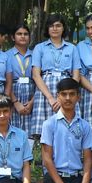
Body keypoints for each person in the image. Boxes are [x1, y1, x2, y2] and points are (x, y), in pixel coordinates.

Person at [29, 14, 78, 148]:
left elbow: (76, 75)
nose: (54, 28)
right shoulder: (40, 48)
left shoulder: (72, 48)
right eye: (51, 26)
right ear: (47, 28)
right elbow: (36, 75)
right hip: (45, 91)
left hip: (67, 88)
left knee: (67, 127)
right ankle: (42, 156)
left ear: (63, 28)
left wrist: (67, 95)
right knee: (43, 133)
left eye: (58, 25)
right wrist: (51, 98)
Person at [6, 25, 34, 134]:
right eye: (19, 34)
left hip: (31, 92)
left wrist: (32, 102)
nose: (23, 36)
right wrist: (15, 102)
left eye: (25, 34)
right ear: (13, 37)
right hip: (13, 91)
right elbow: (6, 81)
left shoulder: (35, 55)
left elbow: (39, 79)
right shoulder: (6, 56)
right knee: (13, 127)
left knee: (30, 130)